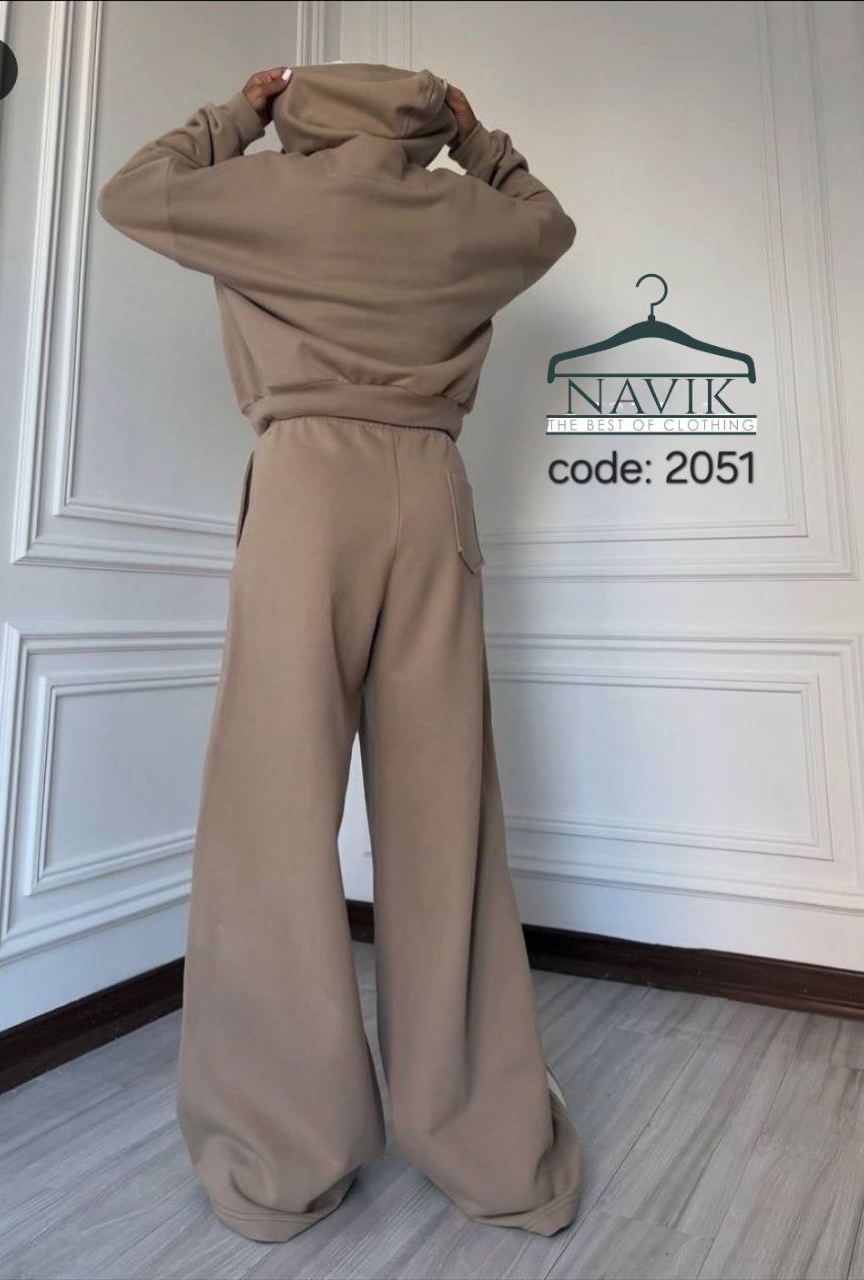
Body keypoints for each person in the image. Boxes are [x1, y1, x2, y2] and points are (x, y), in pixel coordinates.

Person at [96, 60, 581, 1244]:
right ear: (424, 122)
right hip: (428, 491)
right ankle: (491, 1148)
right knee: (444, 828)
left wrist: (239, 113)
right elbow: (548, 223)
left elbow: (133, 189)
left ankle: (282, 1154)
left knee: (270, 827)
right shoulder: (464, 213)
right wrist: (476, 138)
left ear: (300, 114)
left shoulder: (261, 195)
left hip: (306, 493)